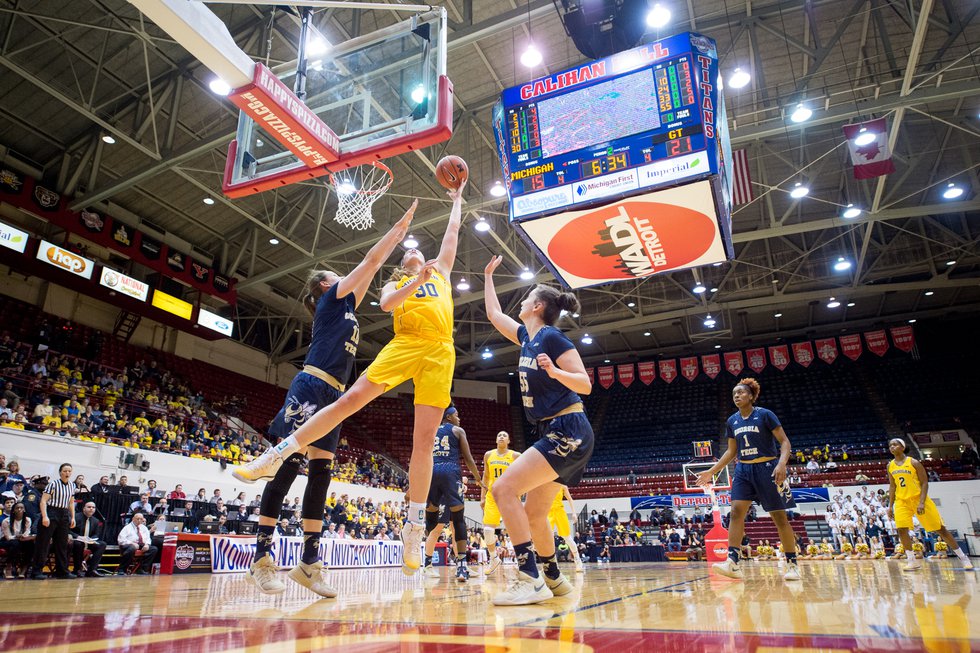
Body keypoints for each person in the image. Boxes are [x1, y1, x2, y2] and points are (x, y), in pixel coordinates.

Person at [235, 184, 465, 577]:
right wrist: (414, 274)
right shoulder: (393, 282)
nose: (413, 251)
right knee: (350, 402)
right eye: (407, 252)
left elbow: (452, 234)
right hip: (405, 343)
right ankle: (275, 456)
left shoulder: (441, 271)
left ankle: (412, 529)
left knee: (423, 441)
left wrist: (458, 198)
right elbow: (388, 302)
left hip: (441, 351)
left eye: (416, 250)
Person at [483, 255, 594, 605]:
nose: (522, 301)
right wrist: (487, 276)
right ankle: (554, 579)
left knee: (502, 490)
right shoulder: (527, 337)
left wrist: (556, 372)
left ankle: (528, 576)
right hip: (558, 429)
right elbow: (493, 316)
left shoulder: (552, 338)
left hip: (568, 427)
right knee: (534, 513)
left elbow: (585, 384)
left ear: (538, 306)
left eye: (528, 296)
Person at [697, 378, 802, 582]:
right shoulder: (732, 421)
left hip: (768, 467)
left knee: (780, 518)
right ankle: (733, 562)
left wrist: (782, 464)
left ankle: (792, 564)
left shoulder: (765, 415)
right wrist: (712, 471)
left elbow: (785, 442)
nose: (736, 396)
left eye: (741, 393)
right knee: (736, 512)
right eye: (734, 393)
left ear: (751, 396)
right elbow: (731, 451)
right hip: (743, 469)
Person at [886, 438, 973, 571]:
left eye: (895, 444)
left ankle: (963, 557)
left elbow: (924, 483)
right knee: (901, 529)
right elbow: (892, 486)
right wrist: (890, 506)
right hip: (901, 501)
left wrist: (921, 502)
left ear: (902, 447)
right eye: (890, 445)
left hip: (918, 499)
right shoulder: (890, 465)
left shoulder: (914, 462)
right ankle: (912, 560)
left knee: (940, 529)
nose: (892, 447)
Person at [420, 404, 482, 582]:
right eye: (457, 415)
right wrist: (478, 479)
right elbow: (468, 458)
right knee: (447, 525)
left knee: (452, 526)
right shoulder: (458, 430)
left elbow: (421, 456)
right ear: (448, 417)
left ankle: (459, 563)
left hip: (433, 473)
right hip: (450, 472)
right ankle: (432, 564)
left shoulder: (431, 430)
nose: (459, 418)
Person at [480, 431, 520, 575]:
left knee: (516, 530)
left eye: (504, 435)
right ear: (496, 440)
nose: (501, 437)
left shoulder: (515, 456)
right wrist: (482, 497)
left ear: (509, 440)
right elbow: (486, 476)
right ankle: (494, 558)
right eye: (499, 435)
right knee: (488, 530)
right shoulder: (488, 455)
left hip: (508, 495)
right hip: (492, 495)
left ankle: (523, 560)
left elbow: (523, 475)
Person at [32, 463, 77, 579]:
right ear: (60, 472)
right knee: (43, 543)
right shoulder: (53, 484)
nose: (67, 473)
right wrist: (45, 516)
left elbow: (71, 503)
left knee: (62, 544)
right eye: (65, 471)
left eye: (69, 471)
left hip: (64, 514)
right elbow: (43, 501)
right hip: (51, 512)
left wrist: (73, 517)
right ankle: (36, 571)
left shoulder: (72, 485)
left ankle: (62, 571)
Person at [547, 485, 584, 573]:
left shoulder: (562, 485)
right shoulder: (545, 483)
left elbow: (570, 499)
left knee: (567, 537)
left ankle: (577, 559)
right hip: (549, 512)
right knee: (548, 538)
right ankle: (551, 563)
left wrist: (574, 513)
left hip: (560, 511)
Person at [71, 501, 106, 577]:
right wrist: (78, 537)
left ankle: (91, 570)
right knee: (79, 544)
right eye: (89, 507)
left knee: (102, 544)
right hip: (76, 541)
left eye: (93, 507)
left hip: (88, 542)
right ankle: (77, 569)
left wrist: (91, 539)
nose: (91, 509)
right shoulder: (76, 517)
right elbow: (68, 530)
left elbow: (96, 534)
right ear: (84, 509)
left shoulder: (96, 521)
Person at [0, 502, 33, 577]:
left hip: (21, 540)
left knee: (31, 544)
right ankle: (8, 566)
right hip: (6, 541)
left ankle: (24, 567)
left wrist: (24, 537)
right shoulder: (6, 521)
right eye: (17, 508)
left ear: (24, 510)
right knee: (15, 543)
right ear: (13, 510)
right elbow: (8, 537)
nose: (19, 509)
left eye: (21, 508)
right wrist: (17, 536)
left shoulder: (28, 520)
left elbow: (27, 533)